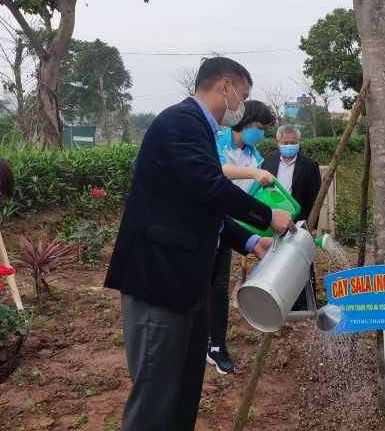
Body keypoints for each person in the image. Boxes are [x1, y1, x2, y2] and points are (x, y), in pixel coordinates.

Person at [104, 57, 293, 431]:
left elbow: (203, 205)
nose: (241, 106)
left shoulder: (200, 130)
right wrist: (268, 217)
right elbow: (209, 186)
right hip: (160, 281)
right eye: (244, 95)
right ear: (225, 86)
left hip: (188, 285)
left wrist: (252, 240)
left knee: (184, 390)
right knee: (155, 399)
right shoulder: (180, 122)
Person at [208, 100, 276, 375]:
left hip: (232, 228)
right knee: (198, 285)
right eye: (260, 128)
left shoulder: (254, 153)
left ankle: (216, 346)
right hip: (207, 222)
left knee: (219, 288)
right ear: (245, 122)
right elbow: (218, 171)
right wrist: (254, 172)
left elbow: (255, 194)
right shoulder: (218, 140)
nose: (261, 134)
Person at [262, 124, 322, 309]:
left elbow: (315, 198)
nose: (289, 145)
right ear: (278, 143)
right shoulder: (268, 162)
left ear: (299, 143)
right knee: (274, 258)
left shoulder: (310, 166)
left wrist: (312, 225)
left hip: (299, 220)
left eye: (293, 142)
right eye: (285, 142)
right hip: (272, 219)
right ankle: (278, 300)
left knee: (301, 260)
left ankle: (304, 303)